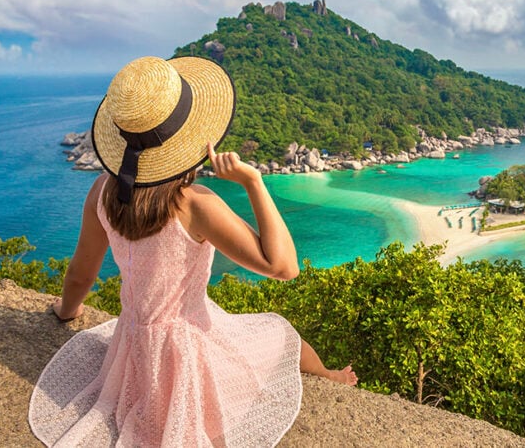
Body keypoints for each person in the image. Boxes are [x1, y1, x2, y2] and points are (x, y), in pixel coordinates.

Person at [29, 56, 356, 447]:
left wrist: (67, 311)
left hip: (131, 348)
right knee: (281, 334)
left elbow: (82, 273)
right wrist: (253, 181)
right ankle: (331, 376)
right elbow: (283, 266)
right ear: (190, 137)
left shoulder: (102, 191)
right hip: (188, 350)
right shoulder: (195, 204)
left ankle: (330, 376)